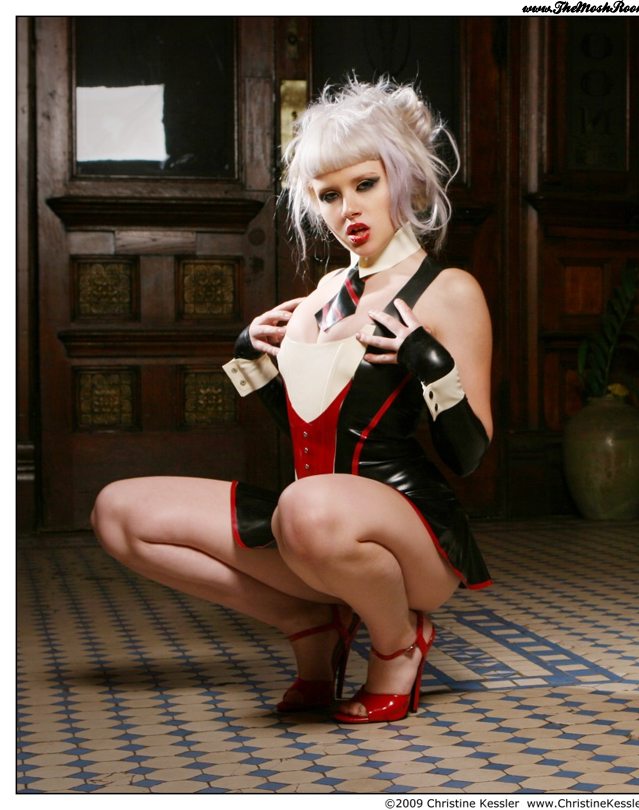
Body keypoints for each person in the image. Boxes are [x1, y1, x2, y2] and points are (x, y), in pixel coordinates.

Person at [91, 77, 493, 724]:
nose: (348, 208)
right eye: (329, 194)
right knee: (119, 512)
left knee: (304, 506)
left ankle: (399, 642)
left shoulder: (449, 290)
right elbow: (307, 426)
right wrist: (250, 359)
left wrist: (428, 361)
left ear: (405, 180)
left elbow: (469, 455)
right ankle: (311, 625)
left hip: (412, 540)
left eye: (366, 184)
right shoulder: (326, 291)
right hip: (309, 528)